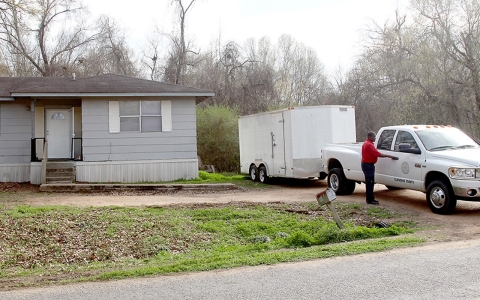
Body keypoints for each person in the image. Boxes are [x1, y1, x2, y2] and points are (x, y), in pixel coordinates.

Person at [361, 131, 398, 205]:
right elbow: (377, 154)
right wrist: (390, 156)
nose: (375, 138)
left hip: (367, 164)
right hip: (368, 165)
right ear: (370, 137)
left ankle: (370, 199)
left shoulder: (367, 143)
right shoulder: (369, 145)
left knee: (369, 182)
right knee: (370, 183)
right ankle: (370, 199)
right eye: (374, 137)